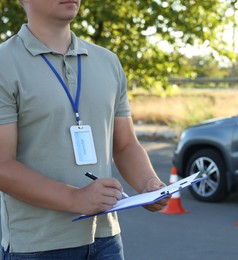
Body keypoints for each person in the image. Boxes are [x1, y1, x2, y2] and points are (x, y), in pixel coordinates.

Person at [0, 0, 169, 259]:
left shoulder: (108, 61)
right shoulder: (4, 63)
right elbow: (3, 165)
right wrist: (76, 198)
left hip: (106, 239)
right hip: (37, 246)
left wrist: (148, 184)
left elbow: (124, 145)